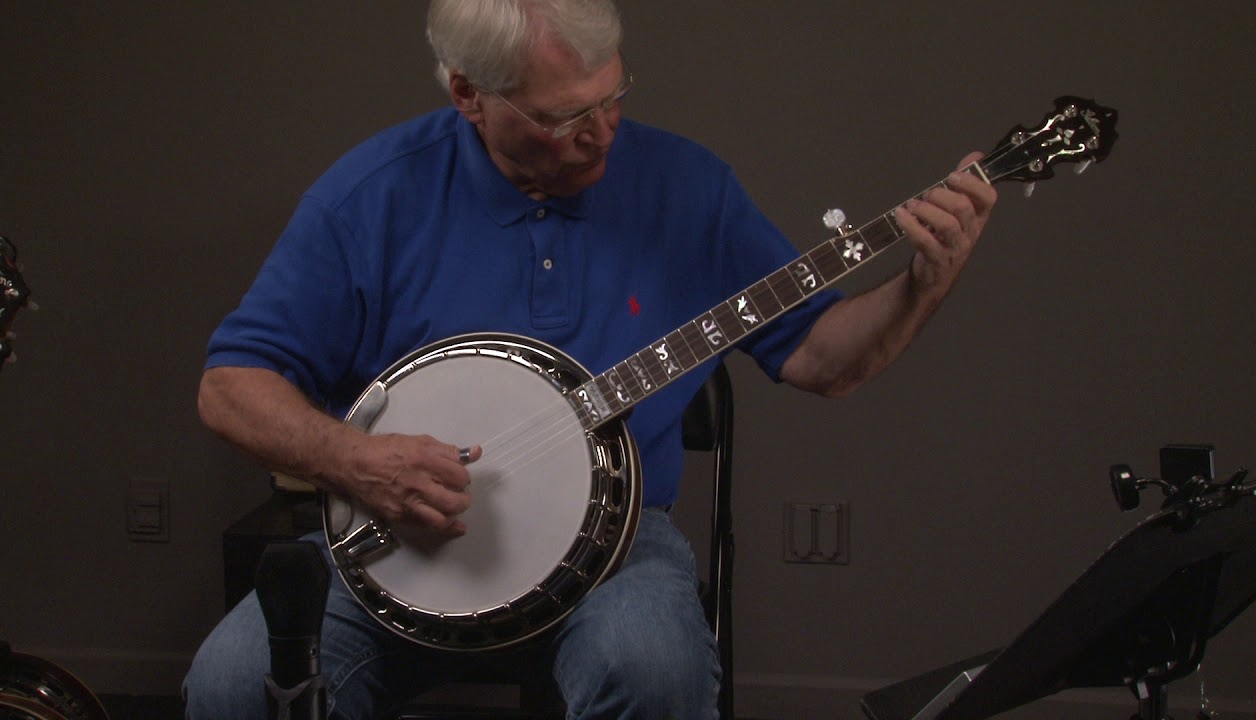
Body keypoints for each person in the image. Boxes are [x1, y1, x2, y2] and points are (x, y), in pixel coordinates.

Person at [183, 0, 997, 718]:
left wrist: (922, 285)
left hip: (616, 550)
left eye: (612, 96)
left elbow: (821, 358)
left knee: (653, 668)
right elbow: (230, 387)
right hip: (400, 549)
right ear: (469, 94)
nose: (601, 129)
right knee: (233, 683)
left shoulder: (689, 188)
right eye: (563, 115)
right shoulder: (371, 197)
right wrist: (358, 463)